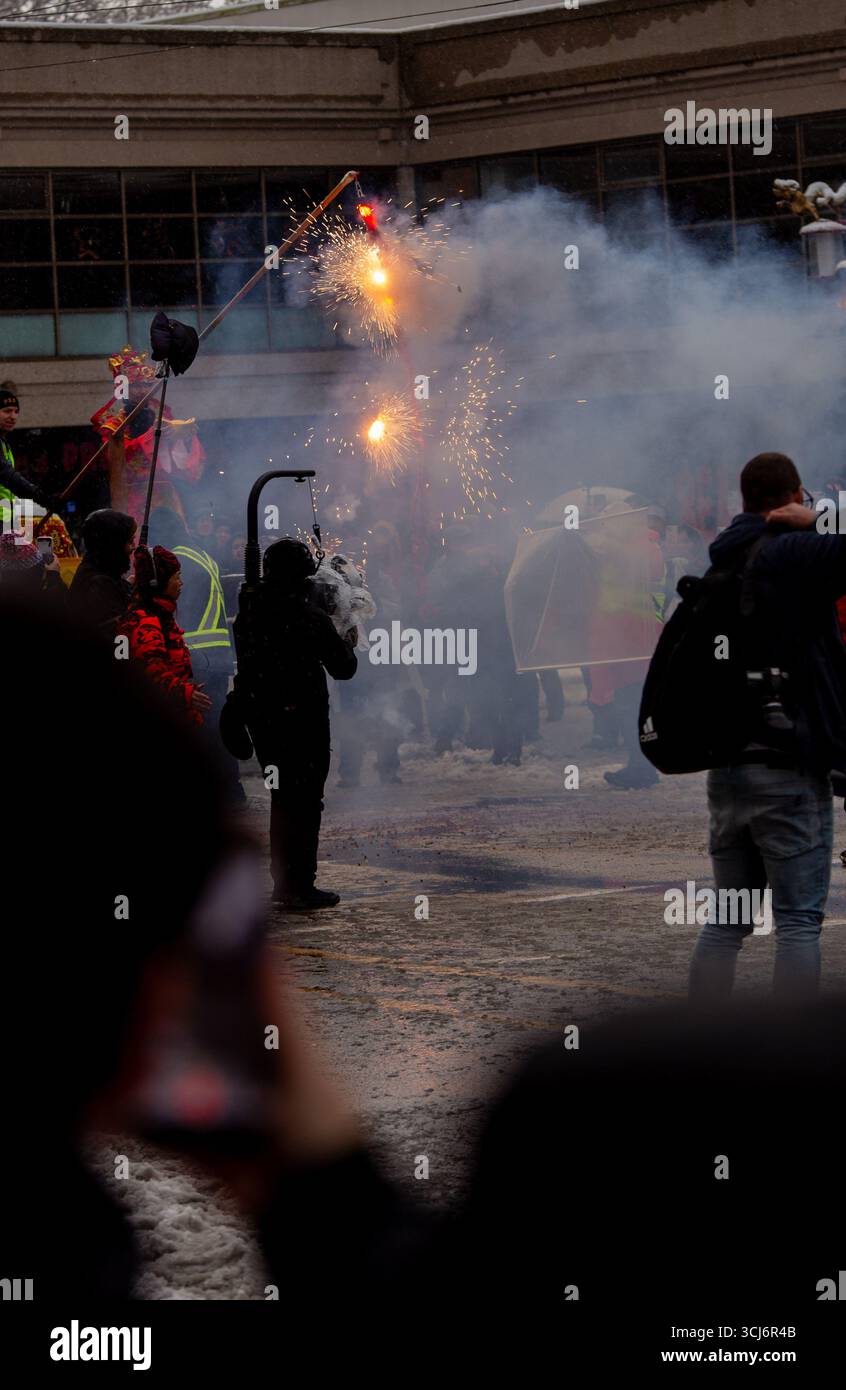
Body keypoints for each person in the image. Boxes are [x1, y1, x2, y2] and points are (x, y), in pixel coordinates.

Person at [689, 452, 846, 1008]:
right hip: (788, 764)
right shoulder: (794, 552)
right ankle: (795, 1054)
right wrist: (825, 520)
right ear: (795, 496)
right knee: (799, 921)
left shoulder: (723, 560)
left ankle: (701, 1036)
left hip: (728, 765)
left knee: (728, 921)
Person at [233, 536, 357, 909]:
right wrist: (346, 636)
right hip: (303, 723)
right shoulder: (309, 619)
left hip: (265, 720)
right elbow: (344, 668)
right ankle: (299, 883)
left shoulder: (250, 614)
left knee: (282, 799)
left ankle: (284, 882)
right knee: (304, 802)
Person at [119, 544, 212, 727]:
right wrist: (185, 693)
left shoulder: (154, 615)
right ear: (159, 582)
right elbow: (150, 676)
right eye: (176, 577)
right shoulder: (146, 623)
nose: (181, 583)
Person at [68, 507, 136, 637]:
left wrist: (127, 587)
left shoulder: (98, 569)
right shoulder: (98, 586)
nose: (133, 547)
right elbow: (119, 640)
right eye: (129, 541)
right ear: (113, 545)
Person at [0, 381, 60, 521]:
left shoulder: (4, 443)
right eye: (7, 411)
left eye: (16, 411)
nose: (13, 416)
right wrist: (42, 497)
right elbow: (7, 476)